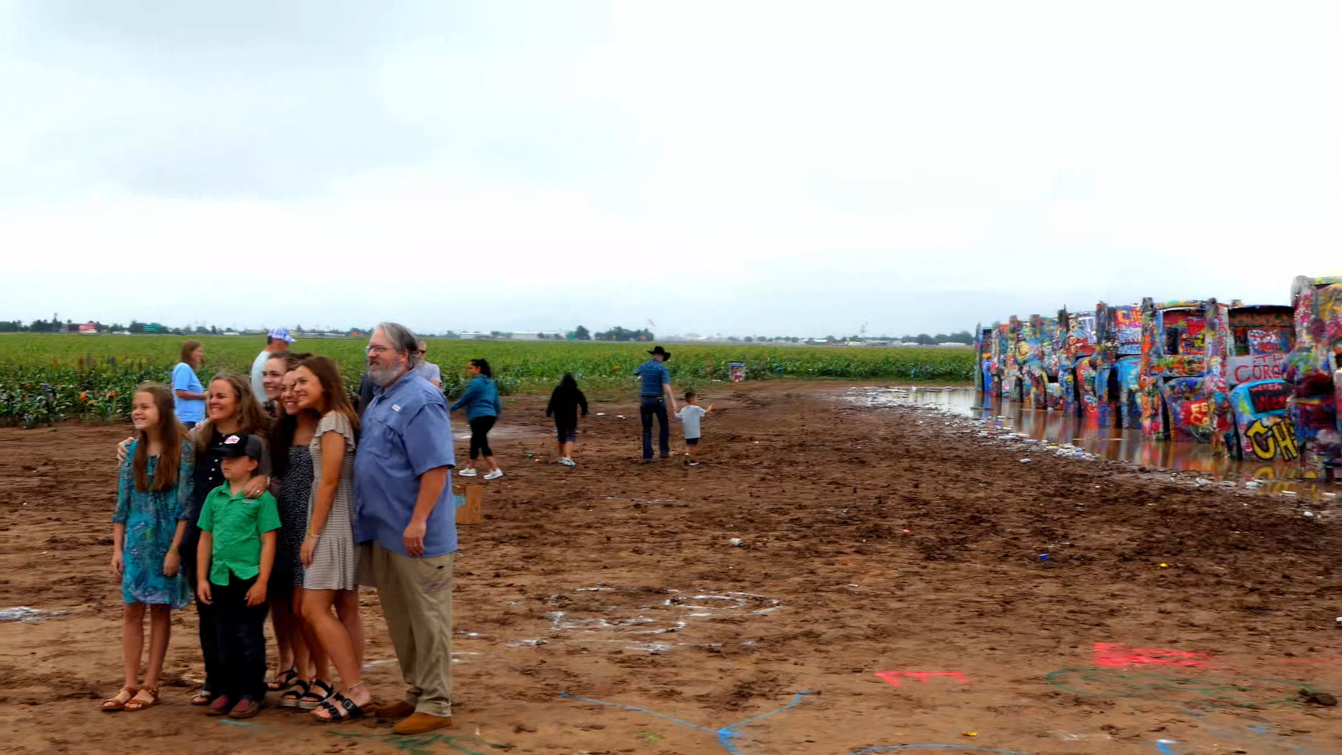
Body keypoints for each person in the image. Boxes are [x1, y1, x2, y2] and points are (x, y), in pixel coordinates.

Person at [353, 322, 457, 736]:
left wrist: (418, 520)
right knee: (403, 620)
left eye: (378, 349)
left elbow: (435, 468)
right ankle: (417, 692)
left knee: (428, 621)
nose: (370, 355)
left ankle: (436, 703)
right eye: (369, 349)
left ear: (405, 354)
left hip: (418, 537)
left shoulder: (421, 399)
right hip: (386, 533)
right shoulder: (383, 397)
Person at [102, 383, 194, 713]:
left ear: (164, 412)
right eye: (135, 406)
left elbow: (186, 508)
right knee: (131, 610)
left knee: (159, 611)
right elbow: (122, 507)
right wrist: (117, 550)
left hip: (166, 545)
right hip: (136, 546)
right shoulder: (131, 453)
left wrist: (174, 551)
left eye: (146, 406)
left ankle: (150, 684)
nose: (137, 411)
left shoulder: (182, 451)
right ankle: (128, 683)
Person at [292, 355, 372, 722]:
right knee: (345, 607)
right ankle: (351, 686)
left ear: (325, 383)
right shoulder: (335, 419)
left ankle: (355, 688)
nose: (296, 389)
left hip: (333, 525)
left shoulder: (334, 421)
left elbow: (329, 480)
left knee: (313, 608)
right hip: (339, 522)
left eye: (303, 381)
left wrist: (312, 535)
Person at [195, 433, 281, 720]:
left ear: (253, 463)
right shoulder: (215, 496)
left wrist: (262, 582)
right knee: (224, 635)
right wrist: (202, 578)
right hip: (220, 577)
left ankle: (251, 692)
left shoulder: (262, 499)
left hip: (249, 577)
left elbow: (269, 541)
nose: (225, 463)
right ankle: (227, 690)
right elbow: (205, 539)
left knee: (249, 636)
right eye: (223, 457)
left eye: (233, 458)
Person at [269, 362, 334, 710]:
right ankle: (304, 674)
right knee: (293, 608)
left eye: (297, 386)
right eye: (285, 388)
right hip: (285, 528)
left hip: (314, 528)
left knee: (309, 607)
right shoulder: (278, 431)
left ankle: (324, 677)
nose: (289, 393)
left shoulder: (329, 426)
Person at [257, 351, 318, 700]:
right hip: (277, 524)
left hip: (309, 523)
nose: (270, 381)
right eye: (266, 374)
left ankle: (309, 671)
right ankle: (288, 663)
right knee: (282, 601)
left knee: (305, 604)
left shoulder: (318, 421)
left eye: (277, 374)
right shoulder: (269, 422)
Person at [450, 358, 503, 480]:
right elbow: (497, 401)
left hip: (478, 416)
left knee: (482, 442)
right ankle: (470, 468)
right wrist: (497, 414)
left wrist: (451, 408)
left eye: (471, 368)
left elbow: (466, 398)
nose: (469, 371)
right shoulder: (490, 383)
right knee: (476, 441)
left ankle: (495, 469)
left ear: (478, 369)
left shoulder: (476, 382)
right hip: (490, 416)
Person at [634, 346, 678, 462]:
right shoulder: (662, 369)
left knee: (647, 428)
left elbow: (638, 377)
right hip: (657, 400)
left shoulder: (644, 366)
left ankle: (647, 455)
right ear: (662, 356)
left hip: (645, 400)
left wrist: (643, 378)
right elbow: (666, 386)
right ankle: (664, 451)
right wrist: (673, 401)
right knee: (663, 425)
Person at [545, 373, 588, 467]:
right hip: (571, 417)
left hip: (559, 417)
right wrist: (584, 412)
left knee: (561, 436)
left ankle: (561, 456)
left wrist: (549, 412)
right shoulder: (576, 391)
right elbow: (583, 402)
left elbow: (552, 401)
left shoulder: (557, 389)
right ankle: (568, 457)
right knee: (570, 435)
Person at [250, 327, 296, 400]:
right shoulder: (269, 361)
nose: (287, 346)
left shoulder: (261, 357)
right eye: (286, 342)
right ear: (276, 341)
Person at [172, 341, 206, 429]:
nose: (201, 354)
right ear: (190, 352)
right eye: (198, 351)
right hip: (187, 420)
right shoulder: (183, 367)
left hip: (194, 420)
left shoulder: (187, 369)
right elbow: (180, 392)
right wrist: (203, 396)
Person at [675, 392, 714, 466]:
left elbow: (677, 416)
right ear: (692, 400)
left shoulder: (683, 409)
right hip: (695, 431)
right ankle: (693, 460)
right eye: (696, 399)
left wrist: (674, 411)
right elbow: (705, 412)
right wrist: (710, 407)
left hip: (687, 431)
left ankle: (686, 453)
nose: (697, 400)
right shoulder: (696, 408)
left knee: (688, 443)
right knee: (694, 445)